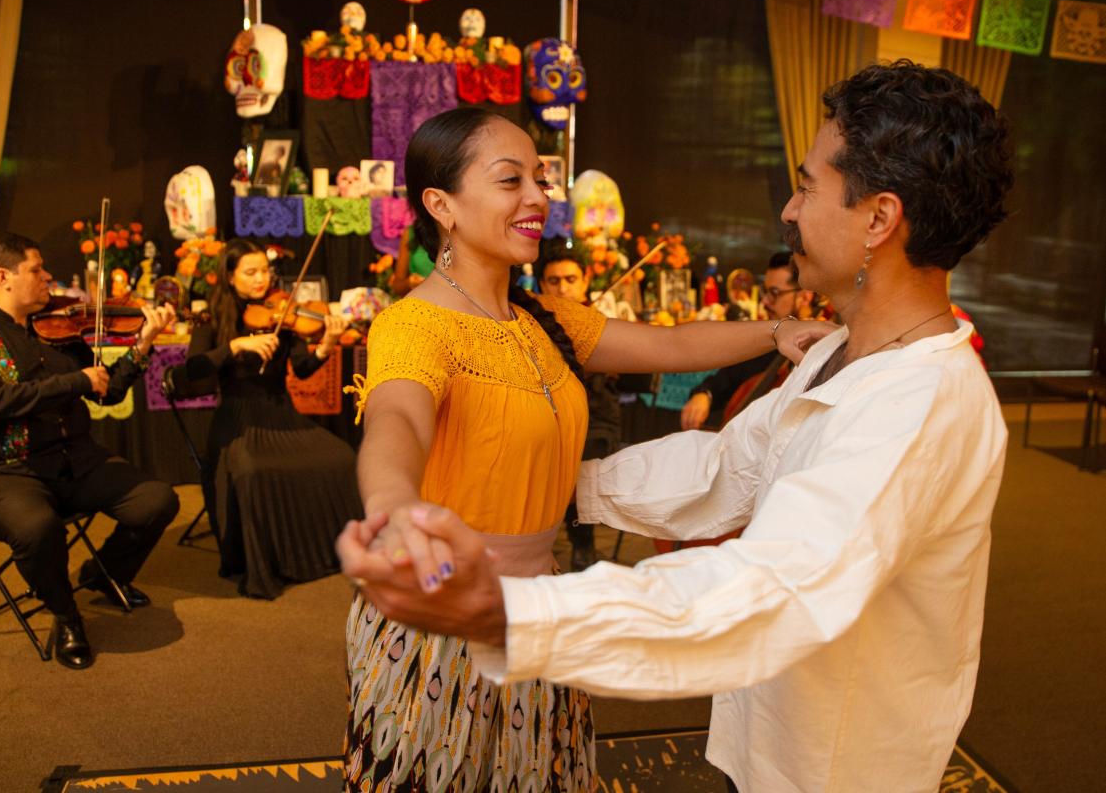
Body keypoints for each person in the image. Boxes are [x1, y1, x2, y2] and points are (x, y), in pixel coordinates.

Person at [339, 61, 1014, 793]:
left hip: (834, 762)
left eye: (805, 186)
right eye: (512, 180)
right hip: (763, 729)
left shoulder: (918, 401)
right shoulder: (842, 358)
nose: (787, 211)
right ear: (441, 203)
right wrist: (522, 497)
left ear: (878, 219)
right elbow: (727, 469)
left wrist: (512, 609)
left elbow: (774, 587)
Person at [339, 107, 832, 791]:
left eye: (539, 180)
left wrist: (775, 331)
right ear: (440, 205)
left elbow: (668, 344)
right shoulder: (414, 326)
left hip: (539, 606)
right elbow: (396, 418)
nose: (538, 198)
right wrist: (392, 504)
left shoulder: (543, 316)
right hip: (445, 615)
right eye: (510, 180)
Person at [0, 231, 180, 670]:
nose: (48, 277)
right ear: (4, 277)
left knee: (157, 499)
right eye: (36, 269)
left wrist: (142, 345)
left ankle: (103, 574)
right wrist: (74, 381)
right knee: (37, 528)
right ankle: (66, 614)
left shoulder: (55, 327)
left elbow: (105, 390)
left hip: (68, 460)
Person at [185, 239, 362, 599]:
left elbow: (302, 367)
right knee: (251, 470)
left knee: (342, 456)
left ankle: (321, 552)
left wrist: (326, 345)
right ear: (230, 276)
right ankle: (266, 562)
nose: (260, 279)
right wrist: (235, 346)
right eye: (250, 273)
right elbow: (193, 373)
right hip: (238, 417)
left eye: (264, 271)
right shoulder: (213, 317)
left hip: (282, 412)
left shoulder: (283, 311)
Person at [538, 249, 619, 570]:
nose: (563, 289)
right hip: (546, 422)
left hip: (594, 423)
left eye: (570, 280)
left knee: (576, 462)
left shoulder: (599, 325)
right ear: (542, 284)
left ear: (585, 282)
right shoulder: (531, 325)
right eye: (554, 281)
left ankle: (582, 545)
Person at [680, 250, 816, 431]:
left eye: (774, 293)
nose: (765, 302)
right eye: (765, 292)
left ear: (805, 297)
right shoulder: (767, 340)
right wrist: (704, 395)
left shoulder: (822, 352)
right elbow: (724, 378)